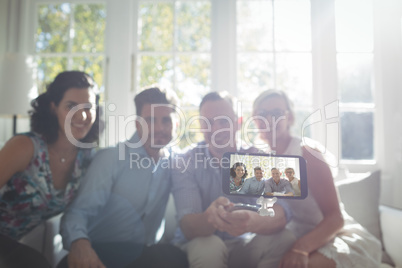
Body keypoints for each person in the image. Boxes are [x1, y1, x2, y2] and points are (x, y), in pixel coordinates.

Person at [58, 87, 188, 268]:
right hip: (99, 254)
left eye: (166, 120)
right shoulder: (111, 158)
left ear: (177, 124)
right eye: (150, 120)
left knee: (175, 258)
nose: (159, 128)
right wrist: (80, 245)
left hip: (145, 256)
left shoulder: (177, 163)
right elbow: (77, 213)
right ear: (137, 124)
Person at [252, 89, 381, 268]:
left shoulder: (307, 153)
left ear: (289, 118)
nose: (269, 120)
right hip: (291, 236)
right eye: (262, 114)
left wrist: (300, 248)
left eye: (276, 113)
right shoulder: (258, 159)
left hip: (333, 236)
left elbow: (336, 219)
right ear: (255, 119)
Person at [171, 91, 295, 268]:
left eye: (223, 121)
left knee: (285, 238)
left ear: (238, 123)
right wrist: (210, 217)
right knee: (210, 246)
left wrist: (253, 222)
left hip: (242, 245)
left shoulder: (259, 158)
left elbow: (282, 211)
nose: (215, 129)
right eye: (208, 123)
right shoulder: (185, 162)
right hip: (202, 245)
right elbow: (188, 226)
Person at [0, 71, 101, 268]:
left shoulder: (88, 158)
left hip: (16, 242)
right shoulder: (26, 146)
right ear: (53, 108)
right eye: (71, 106)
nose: (81, 115)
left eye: (88, 107)